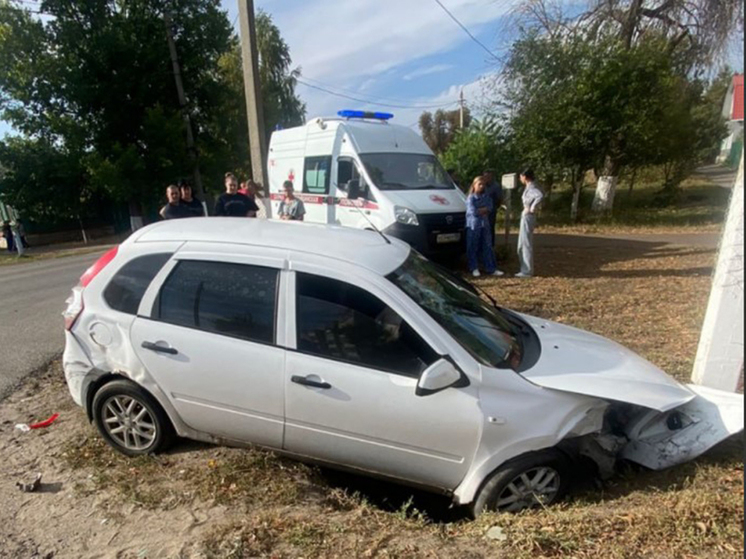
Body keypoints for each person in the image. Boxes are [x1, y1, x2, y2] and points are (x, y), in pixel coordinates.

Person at [466, 176, 504, 278]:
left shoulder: (487, 197)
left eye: (483, 185)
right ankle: (474, 267)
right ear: (474, 185)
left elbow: (490, 208)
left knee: (487, 246)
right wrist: (482, 210)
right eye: (480, 184)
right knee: (473, 246)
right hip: (474, 225)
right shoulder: (471, 198)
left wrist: (483, 210)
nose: (482, 186)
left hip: (485, 225)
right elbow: (473, 211)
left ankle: (490, 268)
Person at [516, 169, 544, 278]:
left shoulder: (532, 187)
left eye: (521, 176)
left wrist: (532, 208)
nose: (520, 179)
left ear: (525, 177)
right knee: (522, 243)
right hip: (526, 214)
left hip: (528, 215)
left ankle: (527, 270)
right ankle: (524, 268)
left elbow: (539, 195)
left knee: (525, 242)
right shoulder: (528, 187)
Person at [483, 170, 503, 248]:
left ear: (491, 177)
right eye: (485, 177)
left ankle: (491, 246)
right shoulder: (482, 186)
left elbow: (499, 198)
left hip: (491, 211)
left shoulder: (495, 186)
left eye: (488, 177)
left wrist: (494, 207)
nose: (486, 178)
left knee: (490, 228)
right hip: (482, 211)